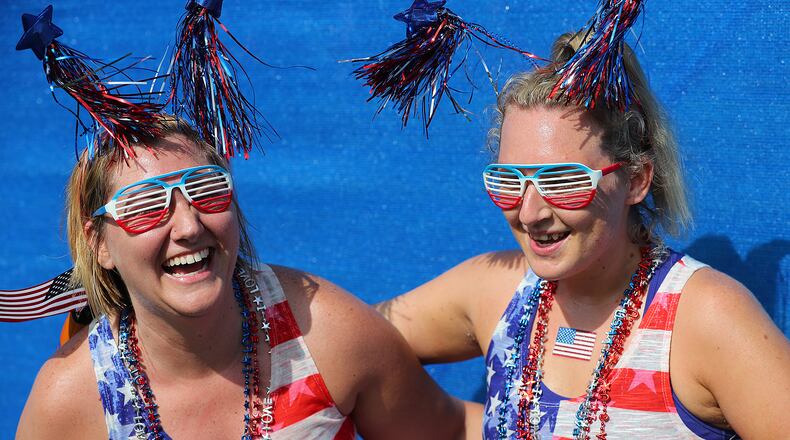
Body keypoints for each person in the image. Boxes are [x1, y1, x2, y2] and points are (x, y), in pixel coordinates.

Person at [376, 32, 790, 439]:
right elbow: (346, 344)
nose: (529, 211)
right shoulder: (494, 292)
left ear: (635, 180)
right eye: (508, 180)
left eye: (562, 181)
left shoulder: (705, 317)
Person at [16, 118, 475, 439]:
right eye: (143, 206)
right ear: (99, 244)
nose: (189, 226)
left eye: (206, 190)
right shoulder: (71, 402)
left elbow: (451, 432)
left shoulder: (323, 333)